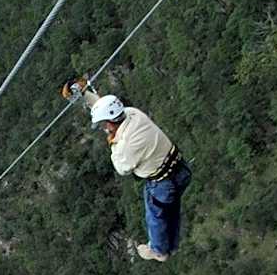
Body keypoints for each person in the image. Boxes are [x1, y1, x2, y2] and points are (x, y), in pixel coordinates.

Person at [63, 78, 192, 262]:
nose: (104, 128)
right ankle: (170, 245)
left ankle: (159, 251)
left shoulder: (127, 145)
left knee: (156, 217)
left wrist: (113, 144)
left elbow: (122, 168)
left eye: (104, 125)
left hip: (163, 183)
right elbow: (107, 108)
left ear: (110, 123)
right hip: (181, 169)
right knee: (170, 212)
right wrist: (85, 94)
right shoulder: (133, 114)